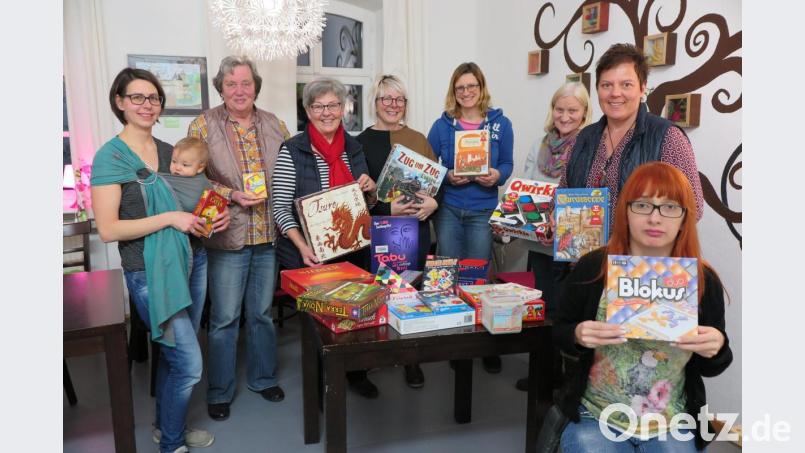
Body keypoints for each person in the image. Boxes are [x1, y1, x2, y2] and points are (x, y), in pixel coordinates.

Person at [91, 68, 228, 453]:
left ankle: (166, 426)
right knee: (188, 362)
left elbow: (195, 205)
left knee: (171, 357)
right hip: (148, 270)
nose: (147, 105)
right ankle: (171, 444)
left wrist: (215, 218)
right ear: (119, 102)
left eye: (153, 98)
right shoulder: (110, 158)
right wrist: (171, 218)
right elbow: (108, 229)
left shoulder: (172, 153)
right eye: (137, 97)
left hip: (192, 261)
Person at [554, 162, 732, 452]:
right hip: (597, 415)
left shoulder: (702, 279)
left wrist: (717, 347)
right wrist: (576, 334)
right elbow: (559, 331)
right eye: (643, 205)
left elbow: (713, 364)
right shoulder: (593, 268)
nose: (655, 218)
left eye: (670, 207)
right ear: (626, 210)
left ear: (685, 218)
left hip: (672, 420)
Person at [188, 55, 290, 422]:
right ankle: (219, 390)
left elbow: (289, 173)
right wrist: (231, 195)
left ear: (256, 86)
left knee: (261, 314)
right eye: (231, 84)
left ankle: (263, 378)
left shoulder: (276, 124)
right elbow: (191, 176)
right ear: (221, 87)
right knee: (225, 318)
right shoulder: (202, 125)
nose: (239, 90)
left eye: (246, 83)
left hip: (268, 236)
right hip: (228, 236)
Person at [272, 77, 379, 397]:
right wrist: (303, 247)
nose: (327, 112)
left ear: (343, 108)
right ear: (307, 110)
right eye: (318, 106)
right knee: (319, 325)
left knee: (358, 317)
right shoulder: (293, 149)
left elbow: (366, 204)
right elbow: (279, 207)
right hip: (311, 254)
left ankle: (356, 373)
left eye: (333, 105)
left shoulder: (354, 146)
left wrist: (370, 190)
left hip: (353, 249)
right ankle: (321, 385)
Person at [427, 62, 513, 374]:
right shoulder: (441, 126)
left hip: (482, 208)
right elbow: (428, 166)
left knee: (479, 276)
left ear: (481, 88)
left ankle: (486, 342)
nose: (466, 92)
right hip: (449, 208)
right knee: (448, 273)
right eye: (460, 87)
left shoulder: (501, 124)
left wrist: (496, 175)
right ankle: (455, 340)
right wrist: (447, 175)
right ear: (454, 91)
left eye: (471, 86)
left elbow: (507, 163)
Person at [560, 43, 704, 227]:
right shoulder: (582, 138)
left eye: (626, 84)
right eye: (606, 85)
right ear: (597, 89)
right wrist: (555, 218)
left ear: (642, 89)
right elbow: (563, 191)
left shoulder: (667, 138)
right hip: (584, 254)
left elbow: (693, 208)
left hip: (639, 254)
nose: (615, 93)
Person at [357, 74, 439, 389]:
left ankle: (410, 361)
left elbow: (437, 183)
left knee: (410, 293)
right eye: (386, 99)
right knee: (376, 295)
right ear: (375, 103)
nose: (393, 105)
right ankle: (369, 358)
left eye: (399, 99)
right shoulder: (360, 142)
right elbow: (355, 195)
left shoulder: (419, 139)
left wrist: (434, 203)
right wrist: (383, 209)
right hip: (376, 232)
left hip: (415, 231)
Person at [514, 82, 593, 392]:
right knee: (541, 309)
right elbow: (524, 189)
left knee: (567, 312)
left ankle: (568, 380)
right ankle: (543, 374)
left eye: (572, 110)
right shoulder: (540, 144)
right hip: (539, 241)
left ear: (585, 112)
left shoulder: (590, 146)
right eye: (560, 109)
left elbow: (586, 196)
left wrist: (558, 223)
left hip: (572, 245)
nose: (565, 116)